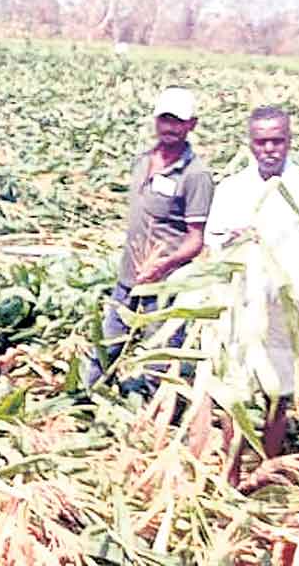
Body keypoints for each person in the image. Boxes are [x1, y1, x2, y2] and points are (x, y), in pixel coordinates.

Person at [201, 106, 299, 483]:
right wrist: (230, 241)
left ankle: (267, 472)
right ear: (250, 143)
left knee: (278, 395)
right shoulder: (232, 189)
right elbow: (211, 243)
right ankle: (230, 476)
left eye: (277, 141)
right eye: (261, 141)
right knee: (235, 394)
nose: (269, 149)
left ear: (289, 140)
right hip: (242, 307)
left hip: (292, 310)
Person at [89, 86, 214, 387]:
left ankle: (152, 413)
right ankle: (85, 395)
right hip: (129, 275)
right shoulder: (142, 161)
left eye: (178, 121)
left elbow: (196, 240)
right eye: (165, 120)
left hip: (164, 283)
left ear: (191, 124)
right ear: (156, 121)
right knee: (107, 343)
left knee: (159, 353)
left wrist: (162, 266)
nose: (170, 128)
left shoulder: (196, 175)